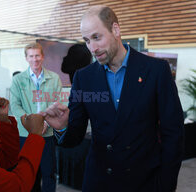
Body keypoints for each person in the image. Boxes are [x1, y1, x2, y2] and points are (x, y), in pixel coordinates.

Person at [42, 5, 184, 192]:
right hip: (100, 182)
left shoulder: (156, 70)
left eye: (96, 37)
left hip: (145, 182)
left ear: (115, 30)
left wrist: (165, 184)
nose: (92, 48)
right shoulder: (83, 78)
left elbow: (173, 134)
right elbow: (75, 136)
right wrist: (61, 128)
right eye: (86, 40)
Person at [10, 42, 62, 192]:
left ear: (43, 56)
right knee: (30, 174)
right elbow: (15, 105)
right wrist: (31, 123)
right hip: (25, 134)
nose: (35, 59)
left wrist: (45, 121)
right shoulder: (18, 80)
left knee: (48, 173)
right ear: (26, 58)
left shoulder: (54, 78)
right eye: (31, 56)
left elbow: (57, 102)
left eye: (37, 55)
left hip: (47, 133)